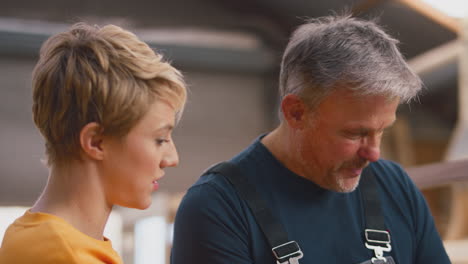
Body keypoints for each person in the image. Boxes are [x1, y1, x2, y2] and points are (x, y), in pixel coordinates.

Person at [170, 15, 450, 264]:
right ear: (296, 112)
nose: (374, 153)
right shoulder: (218, 208)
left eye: (382, 130)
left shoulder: (395, 188)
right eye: (356, 133)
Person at [0, 22, 187, 263]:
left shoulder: (40, 238)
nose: (172, 159)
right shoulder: (63, 255)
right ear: (96, 142)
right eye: (160, 139)